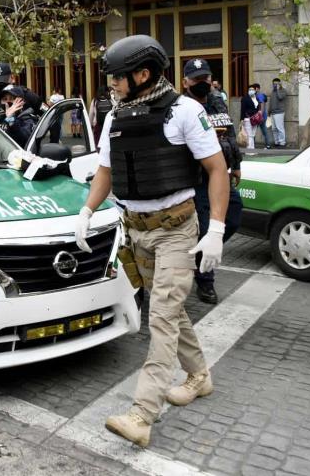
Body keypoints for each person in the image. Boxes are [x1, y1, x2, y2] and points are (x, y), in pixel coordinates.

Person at [75, 35, 229, 447]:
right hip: (136, 231)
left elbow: (217, 170)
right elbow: (105, 172)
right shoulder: (115, 116)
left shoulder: (185, 111)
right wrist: (87, 212)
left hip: (177, 229)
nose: (111, 84)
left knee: (160, 315)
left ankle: (142, 414)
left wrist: (215, 230)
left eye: (117, 78)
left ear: (142, 75)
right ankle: (199, 377)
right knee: (172, 310)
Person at [182, 59, 243, 304]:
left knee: (234, 215)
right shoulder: (181, 107)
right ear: (185, 82)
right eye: (196, 80)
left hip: (221, 174)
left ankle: (197, 255)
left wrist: (236, 164)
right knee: (208, 225)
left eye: (205, 78)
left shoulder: (217, 102)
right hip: (196, 176)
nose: (202, 83)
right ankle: (205, 281)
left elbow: (229, 133)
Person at [240, 84, 261, 149]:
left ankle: (252, 148)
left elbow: (257, 108)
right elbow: (242, 109)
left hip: (255, 119)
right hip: (247, 119)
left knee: (252, 135)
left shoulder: (256, 98)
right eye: (250, 89)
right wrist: (241, 119)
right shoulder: (245, 98)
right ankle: (249, 150)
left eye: (252, 89)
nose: (251, 91)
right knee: (249, 135)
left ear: (255, 90)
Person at [269, 78, 288, 147]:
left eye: (277, 84)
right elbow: (271, 102)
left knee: (280, 128)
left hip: (279, 112)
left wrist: (277, 90)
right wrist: (269, 111)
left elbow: (280, 97)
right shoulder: (272, 92)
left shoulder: (283, 91)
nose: (275, 85)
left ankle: (282, 142)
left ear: (280, 84)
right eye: (274, 84)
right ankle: (276, 142)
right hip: (272, 113)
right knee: (274, 128)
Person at [254, 83, 272, 148]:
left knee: (258, 131)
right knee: (261, 131)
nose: (253, 90)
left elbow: (262, 105)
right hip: (259, 117)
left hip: (260, 117)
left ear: (258, 89)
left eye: (254, 88)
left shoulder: (260, 95)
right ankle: (268, 145)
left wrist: (260, 115)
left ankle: (268, 145)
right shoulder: (255, 96)